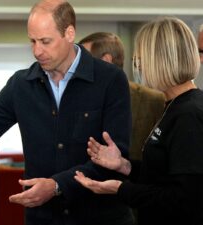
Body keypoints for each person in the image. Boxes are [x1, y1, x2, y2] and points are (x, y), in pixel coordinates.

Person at [0, 1, 134, 225]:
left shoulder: (110, 79)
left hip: (99, 218)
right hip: (43, 218)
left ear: (69, 33)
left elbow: (115, 158)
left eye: (45, 41)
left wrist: (57, 186)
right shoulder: (20, 84)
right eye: (32, 41)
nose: (37, 51)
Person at [74, 17, 203, 225]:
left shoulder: (189, 113)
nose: (139, 67)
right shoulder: (174, 105)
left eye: (141, 59)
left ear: (160, 60)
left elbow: (186, 199)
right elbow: (163, 175)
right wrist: (124, 166)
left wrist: (120, 189)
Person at [78, 32, 165, 161]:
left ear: (106, 60)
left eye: (84, 59)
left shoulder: (154, 100)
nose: (78, 65)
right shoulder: (77, 97)